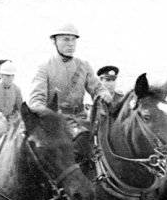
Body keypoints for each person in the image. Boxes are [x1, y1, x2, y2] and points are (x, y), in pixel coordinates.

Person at [29, 23, 111, 170]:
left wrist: (103, 94)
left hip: (81, 119)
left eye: (73, 40)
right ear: (54, 41)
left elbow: (97, 88)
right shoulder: (44, 67)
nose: (71, 44)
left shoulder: (83, 65)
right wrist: (47, 116)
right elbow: (36, 100)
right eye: (66, 39)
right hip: (57, 122)